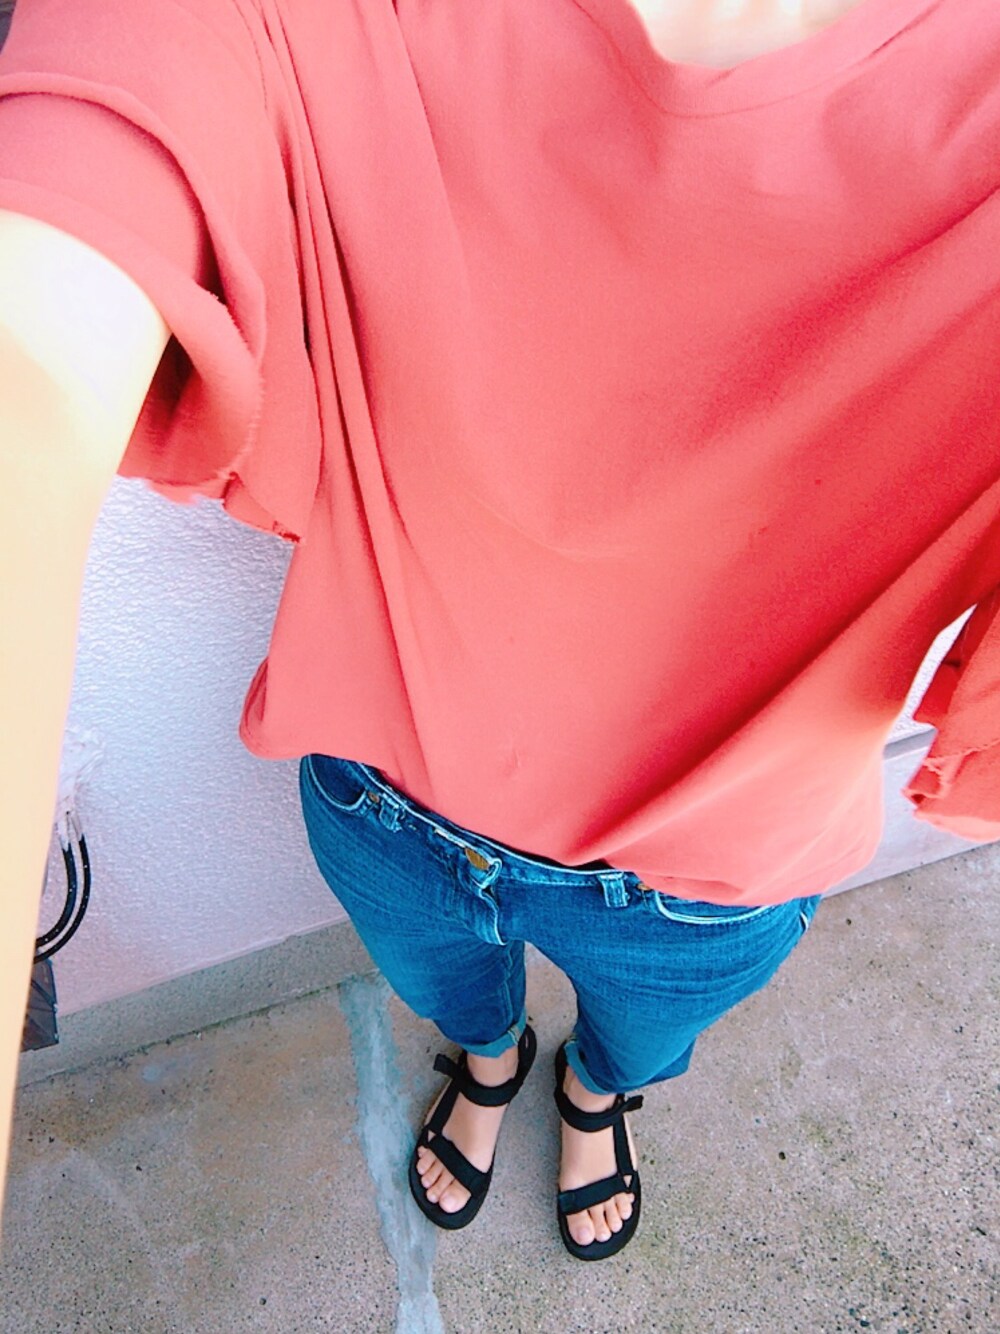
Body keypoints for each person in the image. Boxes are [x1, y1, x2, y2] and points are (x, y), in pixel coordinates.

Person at [1, 0, 998, 1262]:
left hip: (705, 879)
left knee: (634, 1045)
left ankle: (593, 1094)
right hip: (389, 806)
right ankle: (489, 1065)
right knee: (458, 1006)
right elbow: (35, 345)